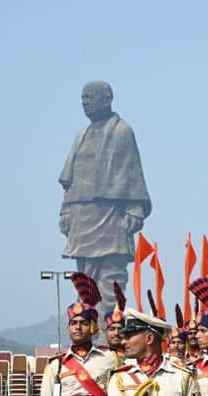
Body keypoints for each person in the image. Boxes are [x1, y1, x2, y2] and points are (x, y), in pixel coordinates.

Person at [58, 81, 152, 319]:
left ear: (107, 99)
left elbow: (132, 173)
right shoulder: (81, 135)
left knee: (111, 279)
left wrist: (135, 210)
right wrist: (65, 211)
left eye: (90, 97)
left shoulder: (122, 131)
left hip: (111, 215)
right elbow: (70, 182)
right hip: (82, 217)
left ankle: (105, 330)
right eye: (83, 98)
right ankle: (87, 325)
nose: (85, 102)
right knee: (85, 282)